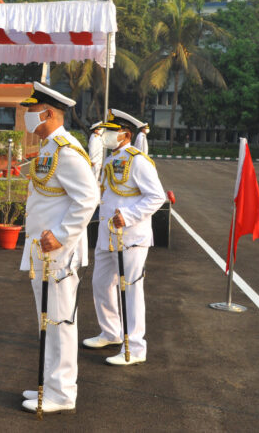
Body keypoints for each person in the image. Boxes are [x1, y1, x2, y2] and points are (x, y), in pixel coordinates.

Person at [18, 82, 99, 415]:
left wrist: (64, 235)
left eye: (31, 111)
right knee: (48, 320)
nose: (27, 117)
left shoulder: (66, 150)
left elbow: (88, 197)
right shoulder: (51, 147)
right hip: (45, 252)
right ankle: (50, 384)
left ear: (48, 113)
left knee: (60, 322)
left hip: (58, 253)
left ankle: (62, 393)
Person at [84, 109, 165, 366]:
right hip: (107, 233)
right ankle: (111, 332)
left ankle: (136, 348)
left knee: (130, 290)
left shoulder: (139, 161)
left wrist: (128, 216)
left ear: (125, 134)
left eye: (110, 131)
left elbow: (156, 196)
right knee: (101, 284)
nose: (105, 135)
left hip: (130, 235)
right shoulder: (110, 160)